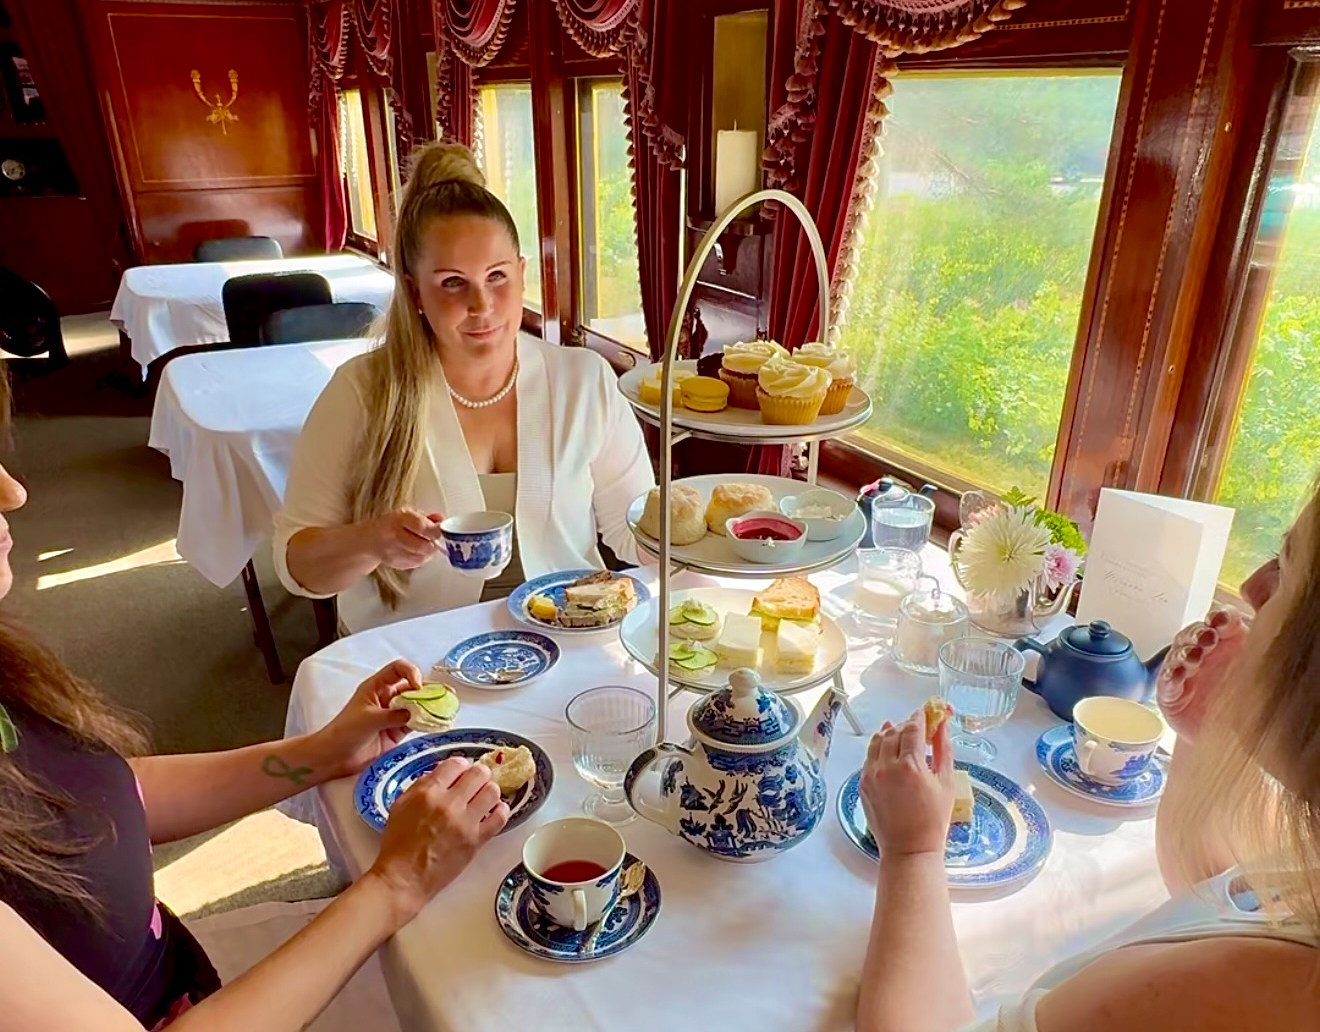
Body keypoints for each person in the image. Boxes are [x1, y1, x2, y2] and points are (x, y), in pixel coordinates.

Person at [0, 371, 510, 1030]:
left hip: (185, 975)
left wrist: (320, 754)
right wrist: (396, 884)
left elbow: (100, 793)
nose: (14, 492)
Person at [855, 485, 1320, 1032]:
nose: (1252, 586)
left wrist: (911, 852)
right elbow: (1212, 900)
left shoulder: (1255, 984)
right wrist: (1205, 738)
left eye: (1287, 569)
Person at [274, 141, 654, 633]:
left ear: (522, 274)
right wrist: (370, 542)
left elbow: (635, 531)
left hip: (567, 641)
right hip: (413, 650)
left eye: (497, 276)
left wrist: (717, 541)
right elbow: (298, 568)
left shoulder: (585, 380)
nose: (482, 305)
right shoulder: (361, 393)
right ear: (414, 291)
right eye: (453, 282)